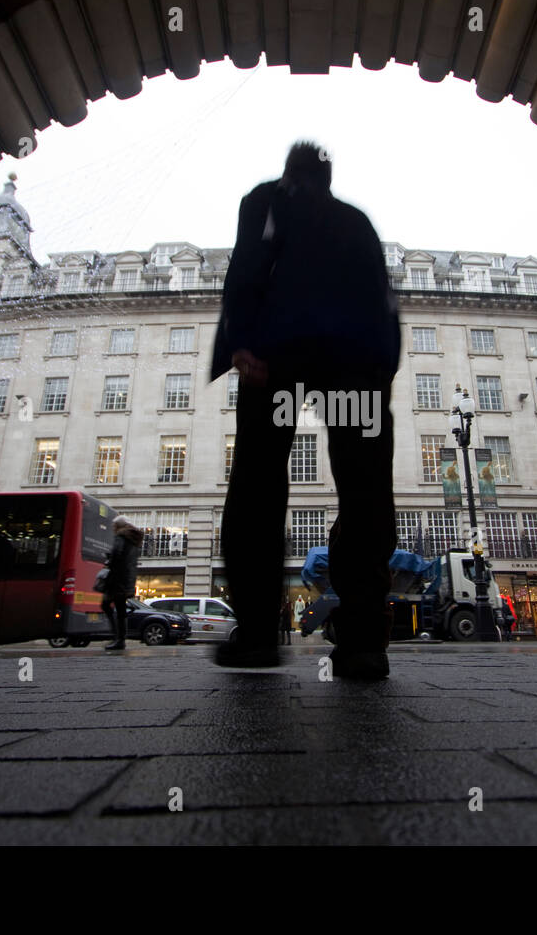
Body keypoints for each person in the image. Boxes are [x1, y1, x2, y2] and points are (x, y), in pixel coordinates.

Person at [209, 141, 400, 678]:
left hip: (278, 360)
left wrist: (242, 341)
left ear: (289, 172)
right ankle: (363, 639)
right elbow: (383, 295)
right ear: (329, 177)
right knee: (364, 488)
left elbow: (247, 266)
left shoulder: (267, 201)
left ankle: (256, 634)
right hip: (355, 362)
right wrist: (383, 367)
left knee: (259, 484)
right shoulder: (354, 221)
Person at [101, 516, 143, 651]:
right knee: (120, 609)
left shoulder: (121, 537)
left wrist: (109, 560)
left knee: (107, 605)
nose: (113, 529)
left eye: (114, 526)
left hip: (117, 579)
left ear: (118, 526)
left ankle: (118, 638)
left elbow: (116, 555)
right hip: (127, 579)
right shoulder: (133, 540)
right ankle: (119, 638)